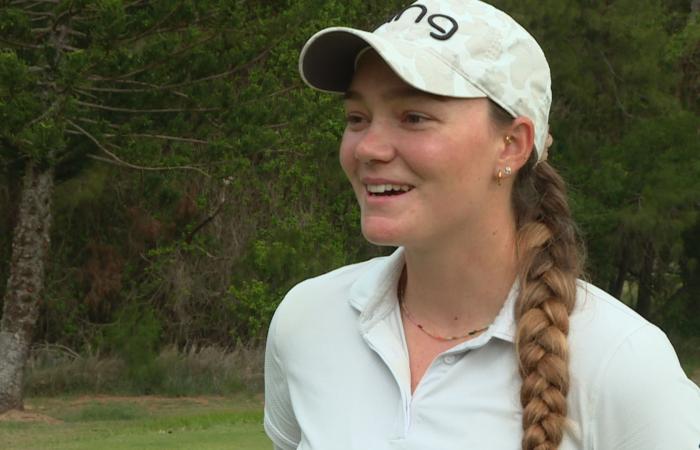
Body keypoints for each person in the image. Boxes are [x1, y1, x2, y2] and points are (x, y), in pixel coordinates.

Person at [264, 1, 700, 449]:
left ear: (511, 145)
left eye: (414, 117)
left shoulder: (620, 362)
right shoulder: (308, 320)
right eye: (357, 118)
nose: (368, 148)